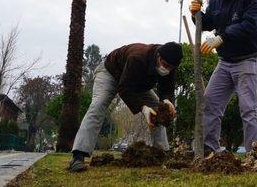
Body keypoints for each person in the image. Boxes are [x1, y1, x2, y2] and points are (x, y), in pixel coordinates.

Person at [68, 42, 183, 172]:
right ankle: (78, 157)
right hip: (110, 74)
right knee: (97, 106)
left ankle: (162, 153)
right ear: (158, 56)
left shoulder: (170, 65)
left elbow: (166, 89)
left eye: (171, 67)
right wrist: (143, 108)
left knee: (160, 111)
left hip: (136, 83)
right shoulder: (138, 57)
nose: (166, 69)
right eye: (165, 65)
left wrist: (167, 101)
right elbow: (125, 89)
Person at [190, 0, 257, 154]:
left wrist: (222, 38)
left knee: (248, 108)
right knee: (210, 103)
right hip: (225, 61)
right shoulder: (216, 0)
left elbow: (249, 24)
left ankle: (254, 153)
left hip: (248, 58)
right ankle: (209, 149)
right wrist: (196, 14)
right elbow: (207, 23)